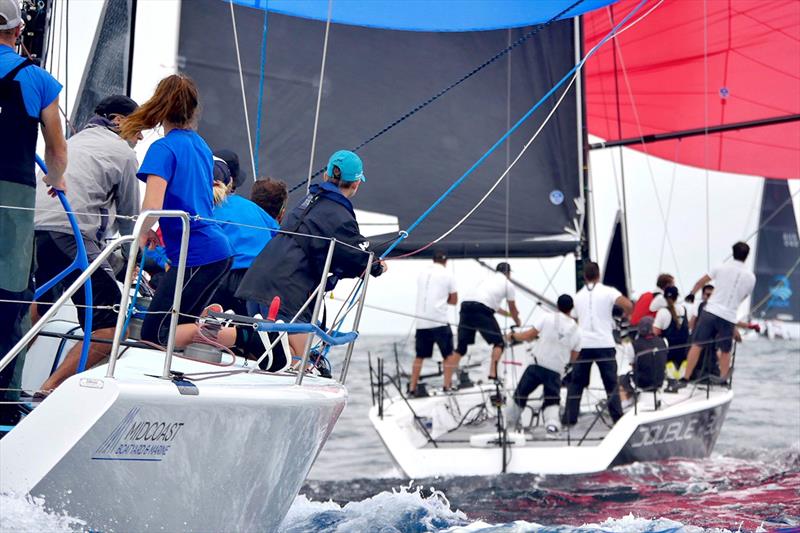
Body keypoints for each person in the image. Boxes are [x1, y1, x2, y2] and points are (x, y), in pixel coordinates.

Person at [32, 95, 141, 391]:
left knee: (34, 309)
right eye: (139, 126)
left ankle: (7, 380)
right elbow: (131, 219)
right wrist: (137, 258)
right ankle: (49, 390)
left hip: (33, 230)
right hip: (70, 235)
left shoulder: (73, 140)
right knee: (110, 327)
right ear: (119, 121)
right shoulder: (123, 153)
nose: (141, 135)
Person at [236, 150, 386, 361]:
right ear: (356, 184)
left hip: (258, 282)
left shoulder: (308, 201)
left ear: (325, 176)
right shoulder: (339, 214)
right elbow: (356, 253)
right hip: (286, 292)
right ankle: (228, 337)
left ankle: (224, 336)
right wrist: (377, 265)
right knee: (300, 361)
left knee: (262, 355)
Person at [119, 74, 232, 348]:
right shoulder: (202, 147)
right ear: (192, 110)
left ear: (159, 106)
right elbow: (192, 199)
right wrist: (158, 231)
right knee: (174, 327)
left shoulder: (163, 148)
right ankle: (209, 329)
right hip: (216, 251)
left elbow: (152, 208)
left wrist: (140, 237)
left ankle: (228, 334)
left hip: (196, 254)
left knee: (153, 333)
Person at [0, 0, 67, 422]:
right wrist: (55, 180)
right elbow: (57, 153)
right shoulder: (37, 80)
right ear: (19, 28)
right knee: (13, 292)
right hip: (12, 197)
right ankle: (5, 400)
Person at [209, 155, 283, 316]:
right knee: (244, 327)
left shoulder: (205, 210)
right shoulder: (253, 208)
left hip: (220, 274)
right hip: (254, 279)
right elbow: (279, 237)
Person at [564, 262, 633, 426]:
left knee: (576, 384)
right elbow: (628, 305)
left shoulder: (578, 296)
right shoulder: (608, 292)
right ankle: (617, 419)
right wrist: (625, 316)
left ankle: (569, 419)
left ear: (584, 276)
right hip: (604, 343)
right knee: (611, 384)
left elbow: (573, 316)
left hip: (583, 345)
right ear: (598, 274)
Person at [682, 242, 757, 384]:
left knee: (697, 344)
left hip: (711, 311)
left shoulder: (721, 267)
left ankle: (686, 377)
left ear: (733, 252)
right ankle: (723, 380)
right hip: (728, 316)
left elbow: (701, 281)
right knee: (725, 350)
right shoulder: (751, 277)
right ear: (747, 256)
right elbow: (745, 295)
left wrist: (691, 294)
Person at [505, 295, 580, 434]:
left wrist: (513, 336)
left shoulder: (546, 317)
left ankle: (508, 425)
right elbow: (574, 357)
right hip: (555, 371)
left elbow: (529, 335)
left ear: (557, 306)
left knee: (520, 394)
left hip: (536, 365)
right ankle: (551, 427)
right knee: (552, 400)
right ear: (572, 308)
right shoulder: (577, 330)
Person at [455, 262, 520, 381]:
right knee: (499, 343)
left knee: (461, 348)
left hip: (465, 306)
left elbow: (495, 307)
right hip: (481, 309)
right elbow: (513, 308)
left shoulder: (487, 280)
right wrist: (517, 320)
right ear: (508, 273)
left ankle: (447, 381)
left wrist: (509, 315)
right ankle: (492, 375)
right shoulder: (508, 284)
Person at [409, 250, 457, 397]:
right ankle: (447, 386)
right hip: (439, 321)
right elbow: (454, 301)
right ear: (446, 261)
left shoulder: (422, 274)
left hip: (421, 323)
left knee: (420, 356)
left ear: (433, 260)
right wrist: (444, 300)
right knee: (448, 355)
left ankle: (412, 388)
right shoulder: (448, 274)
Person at [652, 285, 689, 379]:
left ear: (664, 297)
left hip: (669, 354)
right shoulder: (684, 309)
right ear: (677, 296)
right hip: (683, 352)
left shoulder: (662, 312)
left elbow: (654, 332)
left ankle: (667, 371)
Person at [630, 316, 667, 391]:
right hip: (660, 382)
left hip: (641, 383)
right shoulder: (663, 341)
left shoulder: (633, 345)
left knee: (622, 378)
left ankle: (625, 400)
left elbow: (631, 363)